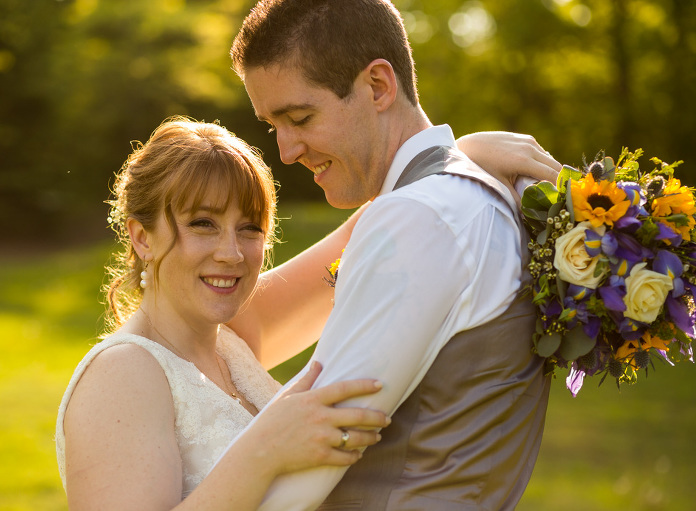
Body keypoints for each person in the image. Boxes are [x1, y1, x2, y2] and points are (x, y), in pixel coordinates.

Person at [225, 1, 563, 509]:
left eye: (300, 117)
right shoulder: (481, 196)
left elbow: (312, 455)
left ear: (379, 86)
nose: (286, 151)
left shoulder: (418, 217)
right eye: (275, 126)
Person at [55, 118, 392, 511]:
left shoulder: (233, 341)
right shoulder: (122, 373)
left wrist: (457, 152)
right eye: (203, 224)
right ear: (142, 237)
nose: (231, 253)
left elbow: (362, 233)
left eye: (249, 228)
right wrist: (266, 450)